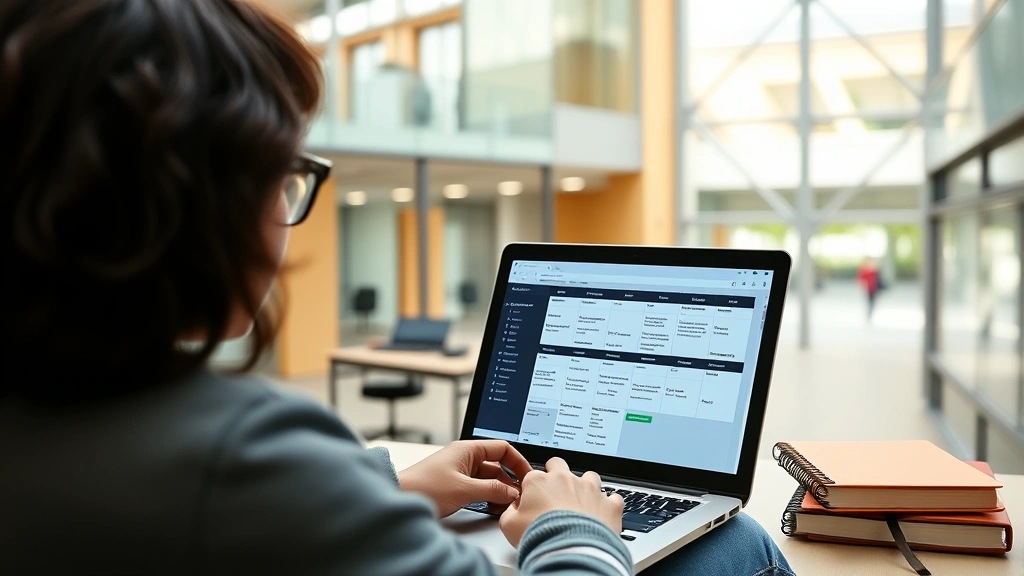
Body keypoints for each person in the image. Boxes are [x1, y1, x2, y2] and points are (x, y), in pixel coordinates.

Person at [0, 1, 793, 575]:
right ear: (194, 195)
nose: (288, 211)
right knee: (738, 543)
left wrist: (382, 486)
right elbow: (253, 500)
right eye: (282, 176)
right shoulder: (240, 454)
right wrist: (572, 531)